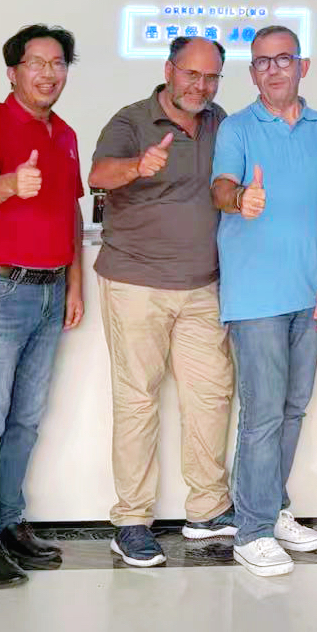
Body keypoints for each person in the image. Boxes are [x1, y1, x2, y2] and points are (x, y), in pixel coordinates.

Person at [88, 36, 234, 567]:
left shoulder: (220, 122)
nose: (201, 86)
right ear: (169, 70)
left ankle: (207, 510)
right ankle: (131, 521)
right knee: (137, 400)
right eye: (192, 74)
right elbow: (98, 175)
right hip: (136, 283)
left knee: (211, 397)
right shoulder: (131, 120)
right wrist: (137, 167)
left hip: (202, 286)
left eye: (211, 77)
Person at [0, 25, 85, 589]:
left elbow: (71, 213)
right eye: (37, 63)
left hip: (50, 292)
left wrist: (74, 285)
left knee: (23, 421)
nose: (49, 73)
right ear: (13, 71)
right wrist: (12, 183)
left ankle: (8, 525)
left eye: (58, 63)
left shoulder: (66, 133)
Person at [212, 25, 317, 578]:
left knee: (292, 409)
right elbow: (220, 187)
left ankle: (273, 507)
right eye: (262, 62)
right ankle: (253, 530)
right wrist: (241, 197)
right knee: (263, 413)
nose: (273, 70)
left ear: (302, 66)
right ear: (252, 73)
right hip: (256, 295)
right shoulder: (237, 128)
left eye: (283, 59)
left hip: (312, 293)